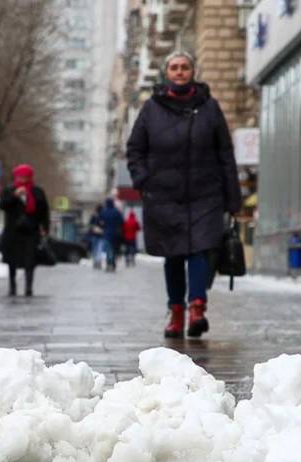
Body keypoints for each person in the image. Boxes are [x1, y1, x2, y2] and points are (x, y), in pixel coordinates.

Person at [126, 50, 241, 338]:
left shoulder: (210, 107)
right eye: (174, 67)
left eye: (185, 67)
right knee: (174, 255)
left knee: (200, 250)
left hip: (205, 193)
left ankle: (197, 308)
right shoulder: (151, 108)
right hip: (164, 195)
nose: (179, 72)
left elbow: (225, 153)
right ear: (167, 73)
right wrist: (144, 181)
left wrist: (233, 197)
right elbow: (135, 149)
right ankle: (176, 311)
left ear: (193, 72)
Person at [0, 164, 50, 297]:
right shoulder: (9, 190)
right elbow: (2, 205)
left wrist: (44, 227)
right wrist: (14, 196)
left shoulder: (37, 191)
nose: (22, 179)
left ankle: (28, 287)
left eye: (25, 177)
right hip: (13, 231)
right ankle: (12, 286)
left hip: (31, 231)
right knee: (12, 260)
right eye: (20, 176)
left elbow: (44, 211)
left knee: (30, 260)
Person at [98, 198, 124, 272]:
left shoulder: (104, 211)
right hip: (115, 234)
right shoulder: (116, 212)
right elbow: (122, 222)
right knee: (113, 249)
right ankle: (112, 264)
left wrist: (103, 226)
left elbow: (99, 221)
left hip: (106, 234)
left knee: (109, 250)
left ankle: (109, 264)